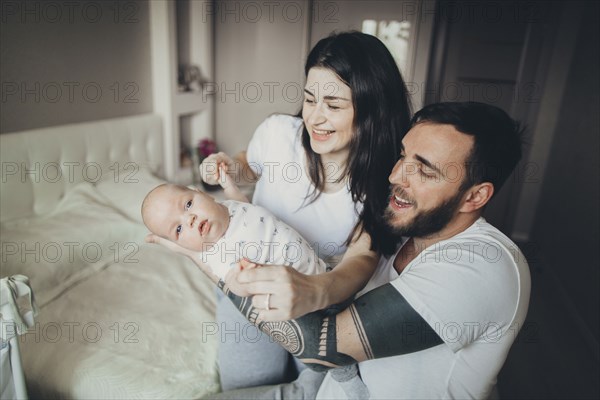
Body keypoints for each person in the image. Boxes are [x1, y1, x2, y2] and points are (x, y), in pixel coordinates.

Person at [148, 101, 531, 399]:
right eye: (402, 156)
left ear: (476, 196)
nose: (396, 176)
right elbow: (351, 264)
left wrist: (201, 254)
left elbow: (319, 346)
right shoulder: (397, 222)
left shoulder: (482, 265)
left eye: (425, 170)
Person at [197, 31, 413, 389]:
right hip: (248, 287)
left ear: (373, 106)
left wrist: (316, 291)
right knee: (248, 387)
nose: (315, 116)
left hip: (321, 307)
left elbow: (362, 256)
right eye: (310, 98)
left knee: (318, 391)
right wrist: (227, 166)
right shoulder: (279, 133)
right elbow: (248, 166)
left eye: (334, 105)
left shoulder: (385, 177)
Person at [140, 178, 327, 284]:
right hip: (301, 294)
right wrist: (242, 275)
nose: (190, 219)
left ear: (202, 193)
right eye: (179, 229)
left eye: (188, 204)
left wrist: (228, 184)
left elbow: (243, 205)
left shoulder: (225, 207)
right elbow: (233, 283)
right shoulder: (218, 254)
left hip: (323, 270)